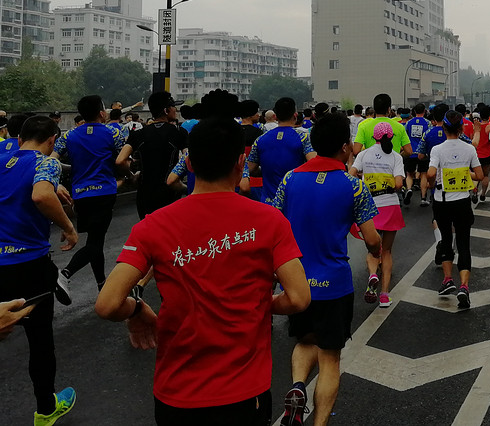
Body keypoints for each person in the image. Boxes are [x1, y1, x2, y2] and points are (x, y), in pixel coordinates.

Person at [95, 90, 310, 426]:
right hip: (245, 393)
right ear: (241, 162)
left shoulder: (153, 226)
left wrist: (137, 310)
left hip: (176, 396)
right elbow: (298, 297)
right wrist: (260, 304)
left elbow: (107, 304)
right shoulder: (270, 221)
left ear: (190, 163)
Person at [273, 113, 381, 426]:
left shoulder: (290, 179)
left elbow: (274, 222)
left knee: (305, 341)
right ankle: (319, 423)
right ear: (346, 147)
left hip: (296, 281)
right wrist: (376, 250)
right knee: (330, 357)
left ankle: (296, 386)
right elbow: (372, 238)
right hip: (334, 284)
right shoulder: (353, 186)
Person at [0, 114, 79, 425]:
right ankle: (46, 410)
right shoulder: (45, 162)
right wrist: (69, 227)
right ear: (51, 142)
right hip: (28, 264)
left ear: (18, 138)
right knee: (40, 340)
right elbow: (41, 194)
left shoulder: (4, 153)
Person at [55, 95, 126, 298]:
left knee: (96, 241)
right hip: (104, 192)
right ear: (102, 113)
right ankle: (65, 273)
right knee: (95, 243)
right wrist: (130, 175)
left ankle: (101, 284)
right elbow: (123, 161)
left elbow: (52, 160)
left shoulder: (69, 136)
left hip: (81, 195)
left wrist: (59, 180)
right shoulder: (113, 133)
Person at [427, 110, 484, 309]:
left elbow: (431, 172)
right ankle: (465, 287)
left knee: (445, 239)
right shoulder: (469, 149)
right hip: (462, 201)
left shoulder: (437, 149)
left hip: (441, 201)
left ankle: (448, 279)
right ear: (461, 128)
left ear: (443, 128)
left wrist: (433, 180)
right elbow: (479, 174)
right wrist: (464, 173)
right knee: (464, 243)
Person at [352, 121, 404, 308]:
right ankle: (384, 295)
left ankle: (373, 274)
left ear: (373, 136)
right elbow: (398, 184)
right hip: (390, 206)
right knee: (387, 251)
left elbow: (351, 174)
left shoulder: (363, 154)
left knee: (373, 249)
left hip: (369, 207)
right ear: (391, 137)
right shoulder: (396, 157)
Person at [117, 92, 188, 220]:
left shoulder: (138, 134)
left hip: (145, 194)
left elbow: (120, 160)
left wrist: (132, 176)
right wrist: (180, 183)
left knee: (148, 234)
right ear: (166, 110)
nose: (176, 110)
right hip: (169, 193)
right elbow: (187, 158)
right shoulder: (179, 132)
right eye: (173, 107)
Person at [246, 97, 313, 205]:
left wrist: (266, 171)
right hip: (293, 202)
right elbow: (313, 164)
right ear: (295, 115)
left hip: (268, 202)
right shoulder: (303, 138)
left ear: (276, 116)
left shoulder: (260, 140)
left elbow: (250, 169)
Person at [403, 103, 432, 205]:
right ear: (424, 111)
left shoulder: (409, 123)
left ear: (414, 111)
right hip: (422, 153)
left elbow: (405, 136)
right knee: (423, 174)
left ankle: (409, 189)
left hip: (410, 152)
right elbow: (429, 136)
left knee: (409, 174)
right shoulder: (428, 123)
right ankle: (423, 198)